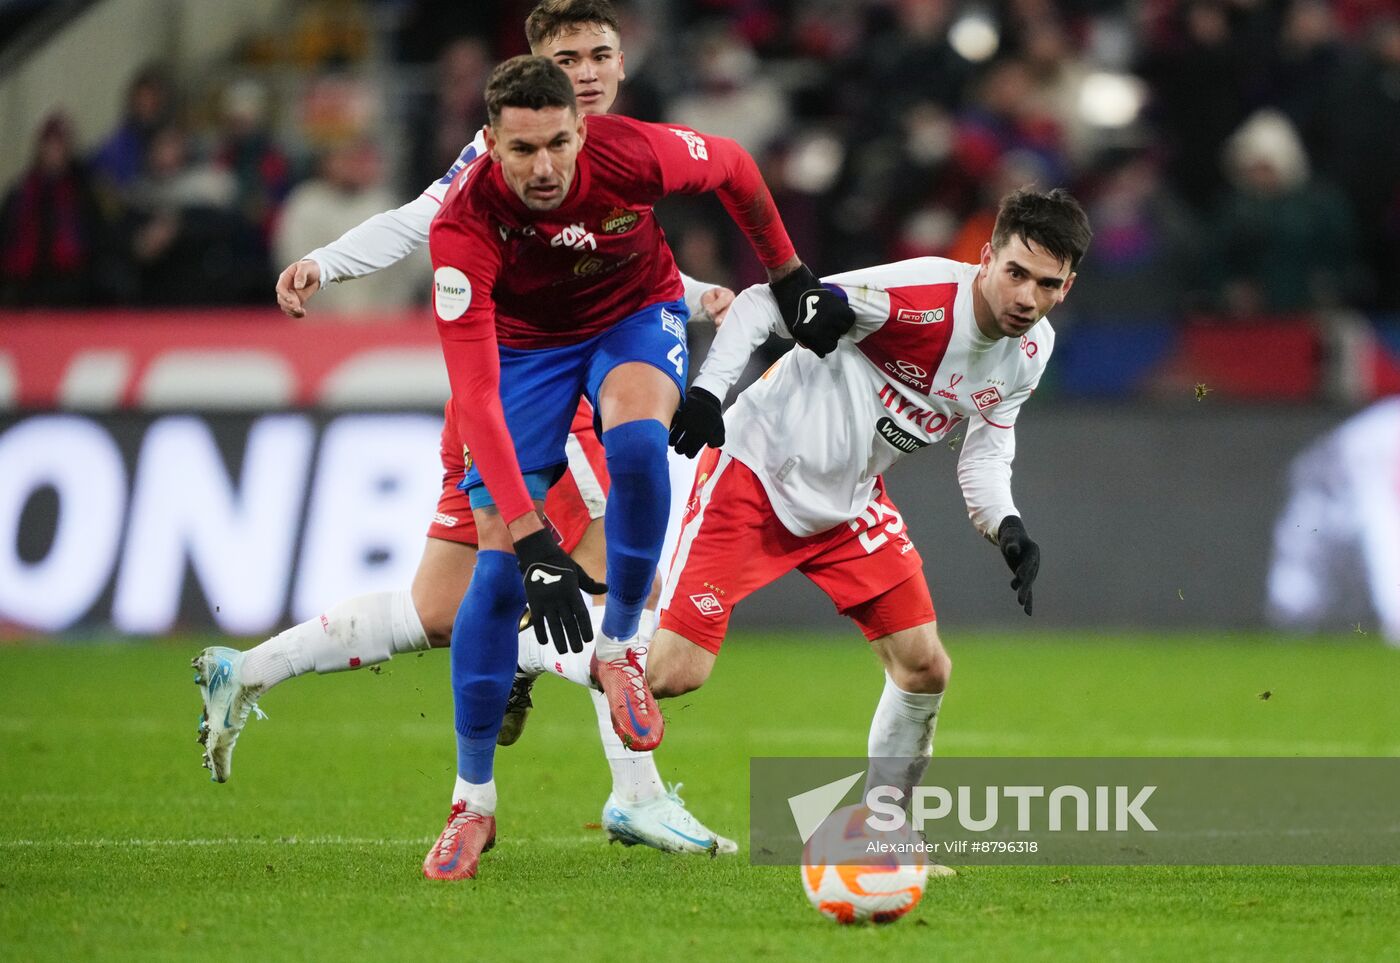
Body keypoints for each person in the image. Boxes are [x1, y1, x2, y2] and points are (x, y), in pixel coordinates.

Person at [192, 0, 737, 859]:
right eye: (568, 58)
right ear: (535, 73)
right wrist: (328, 261)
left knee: (443, 609)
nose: (586, 73)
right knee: (592, 594)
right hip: (527, 393)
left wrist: (693, 291)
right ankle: (634, 790)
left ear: (622, 65)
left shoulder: (618, 151)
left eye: (600, 56)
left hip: (551, 386)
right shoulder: (505, 155)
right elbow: (424, 222)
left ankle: (247, 670)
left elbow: (607, 251)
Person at [537, 187, 1090, 818]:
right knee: (668, 675)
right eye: (1016, 273)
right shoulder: (914, 297)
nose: (1026, 298)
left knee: (924, 668)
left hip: (848, 506)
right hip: (754, 474)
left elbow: (987, 452)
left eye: (1046, 285)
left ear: (1066, 287)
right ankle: (528, 653)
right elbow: (758, 305)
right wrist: (710, 393)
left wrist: (1006, 525)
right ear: (987, 256)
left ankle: (883, 831)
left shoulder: (1030, 352)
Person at [419, 54, 839, 880]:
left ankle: (618, 648)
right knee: (499, 570)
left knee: (643, 443)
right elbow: (473, 392)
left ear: (581, 130)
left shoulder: (631, 154)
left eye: (558, 144)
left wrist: (786, 272)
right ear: (490, 146)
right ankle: (473, 803)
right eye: (521, 151)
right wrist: (536, 537)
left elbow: (737, 168)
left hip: (633, 316)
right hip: (524, 353)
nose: (544, 167)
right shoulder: (460, 229)